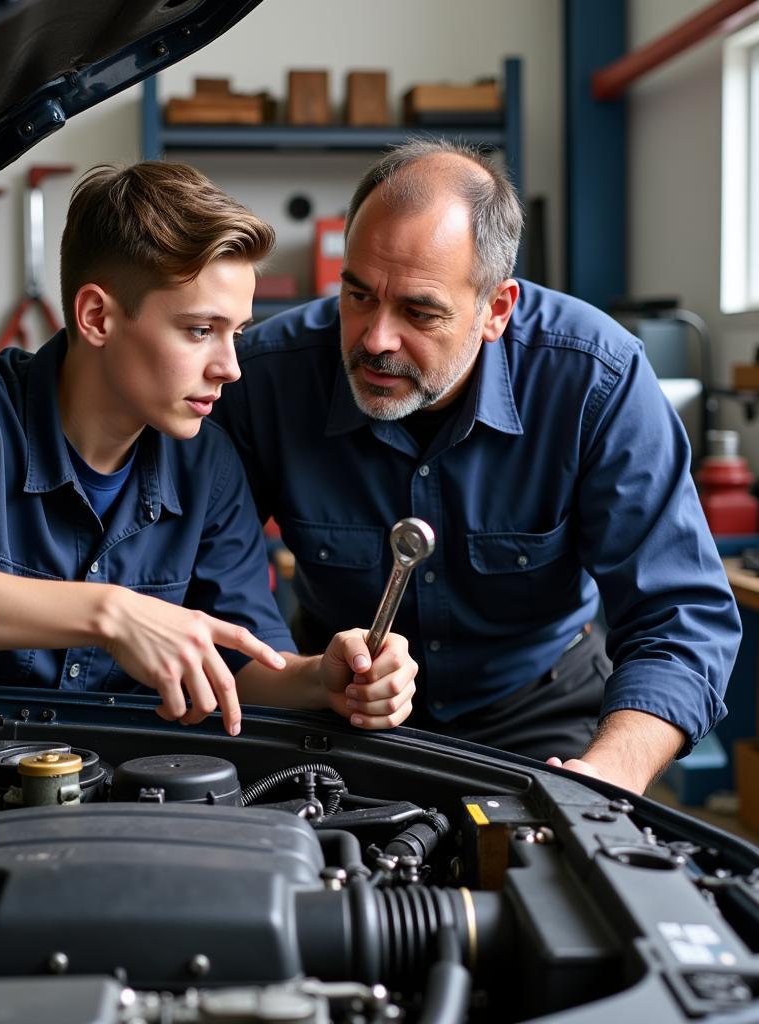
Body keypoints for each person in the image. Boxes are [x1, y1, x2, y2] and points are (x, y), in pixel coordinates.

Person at [213, 138, 740, 793]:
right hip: (335, 698)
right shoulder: (262, 379)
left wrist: (606, 777)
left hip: (537, 705)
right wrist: (305, 676)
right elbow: (217, 596)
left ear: (496, 309)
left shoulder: (595, 378)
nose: (376, 339)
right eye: (357, 296)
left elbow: (680, 614)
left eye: (418, 311)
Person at [0, 162, 417, 736]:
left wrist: (324, 679)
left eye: (236, 333)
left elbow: (238, 664)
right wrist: (112, 615)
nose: (232, 367)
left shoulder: (207, 466)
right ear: (97, 317)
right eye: (199, 330)